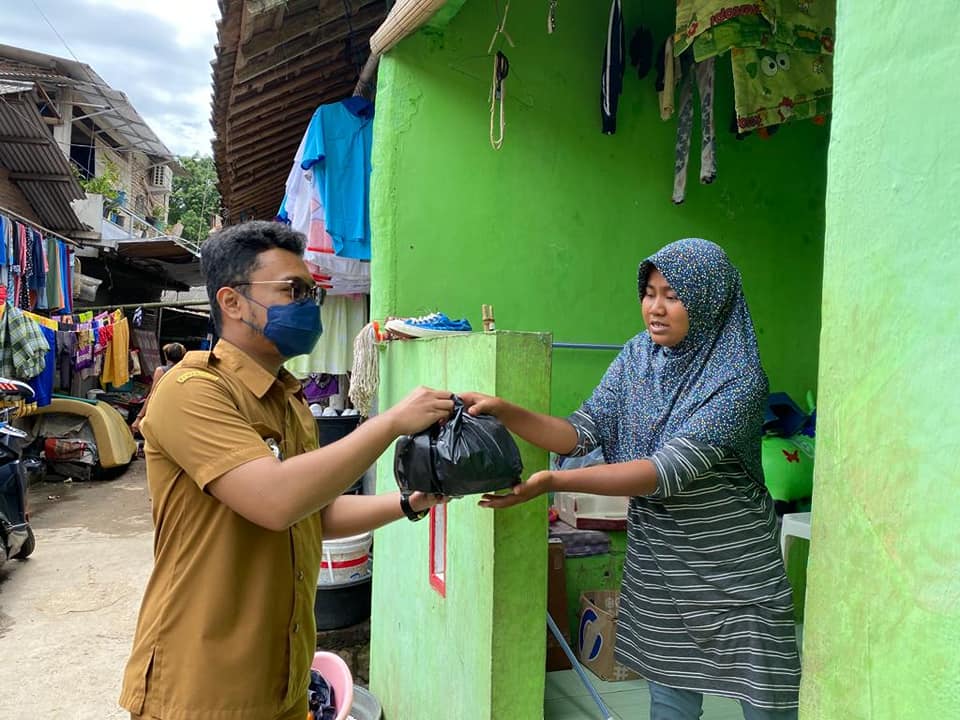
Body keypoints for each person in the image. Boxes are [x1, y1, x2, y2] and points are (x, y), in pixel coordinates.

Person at [119, 221, 453, 720]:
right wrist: (388, 424)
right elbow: (275, 502)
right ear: (231, 302)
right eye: (292, 291)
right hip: (202, 687)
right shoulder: (193, 390)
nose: (308, 305)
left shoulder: (289, 399)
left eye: (312, 292)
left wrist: (408, 502)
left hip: (284, 681)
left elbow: (309, 510)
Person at [463, 238, 801, 719]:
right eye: (648, 292)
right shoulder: (637, 357)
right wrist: (506, 411)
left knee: (768, 705)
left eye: (673, 295)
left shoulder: (739, 379)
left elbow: (662, 473)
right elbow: (581, 432)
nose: (655, 308)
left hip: (736, 574)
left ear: (709, 299)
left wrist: (554, 484)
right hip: (662, 564)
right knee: (669, 705)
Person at [130, 342, 186, 434]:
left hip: (162, 412)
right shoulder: (186, 371)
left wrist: (139, 418)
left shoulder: (161, 371)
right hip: (179, 414)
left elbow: (152, 395)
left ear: (166, 357)